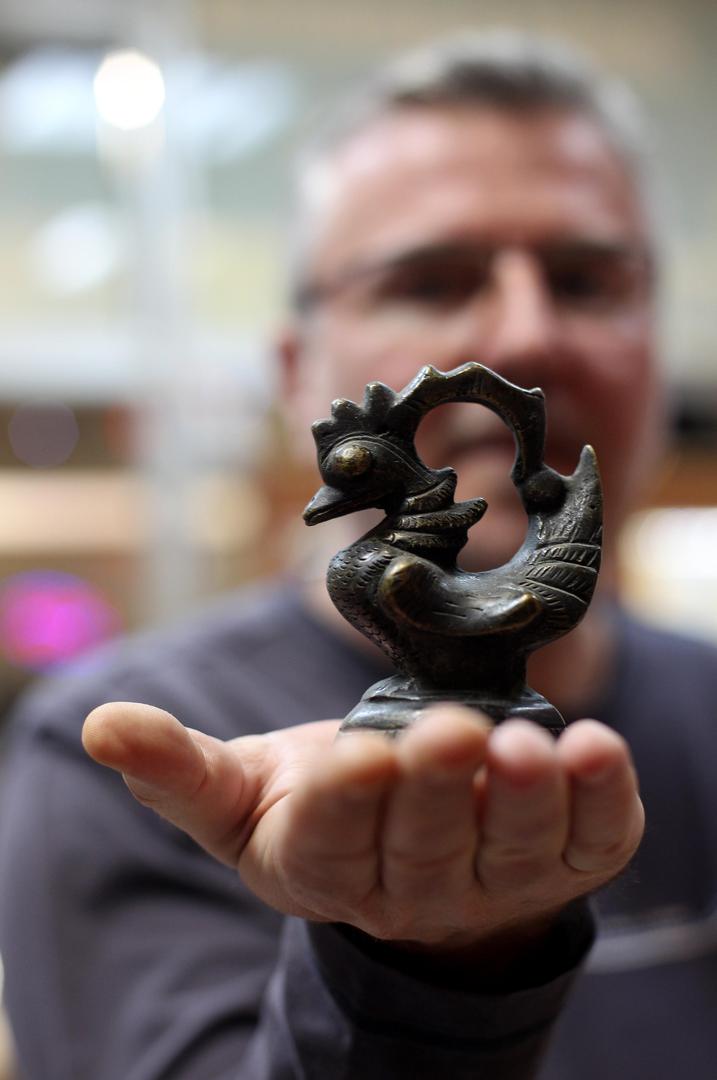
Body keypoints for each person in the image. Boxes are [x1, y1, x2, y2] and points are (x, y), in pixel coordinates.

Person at [1, 31, 716, 1080]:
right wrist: (417, 972)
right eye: (429, 281)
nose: (526, 335)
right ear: (296, 372)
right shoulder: (127, 763)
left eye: (585, 280)